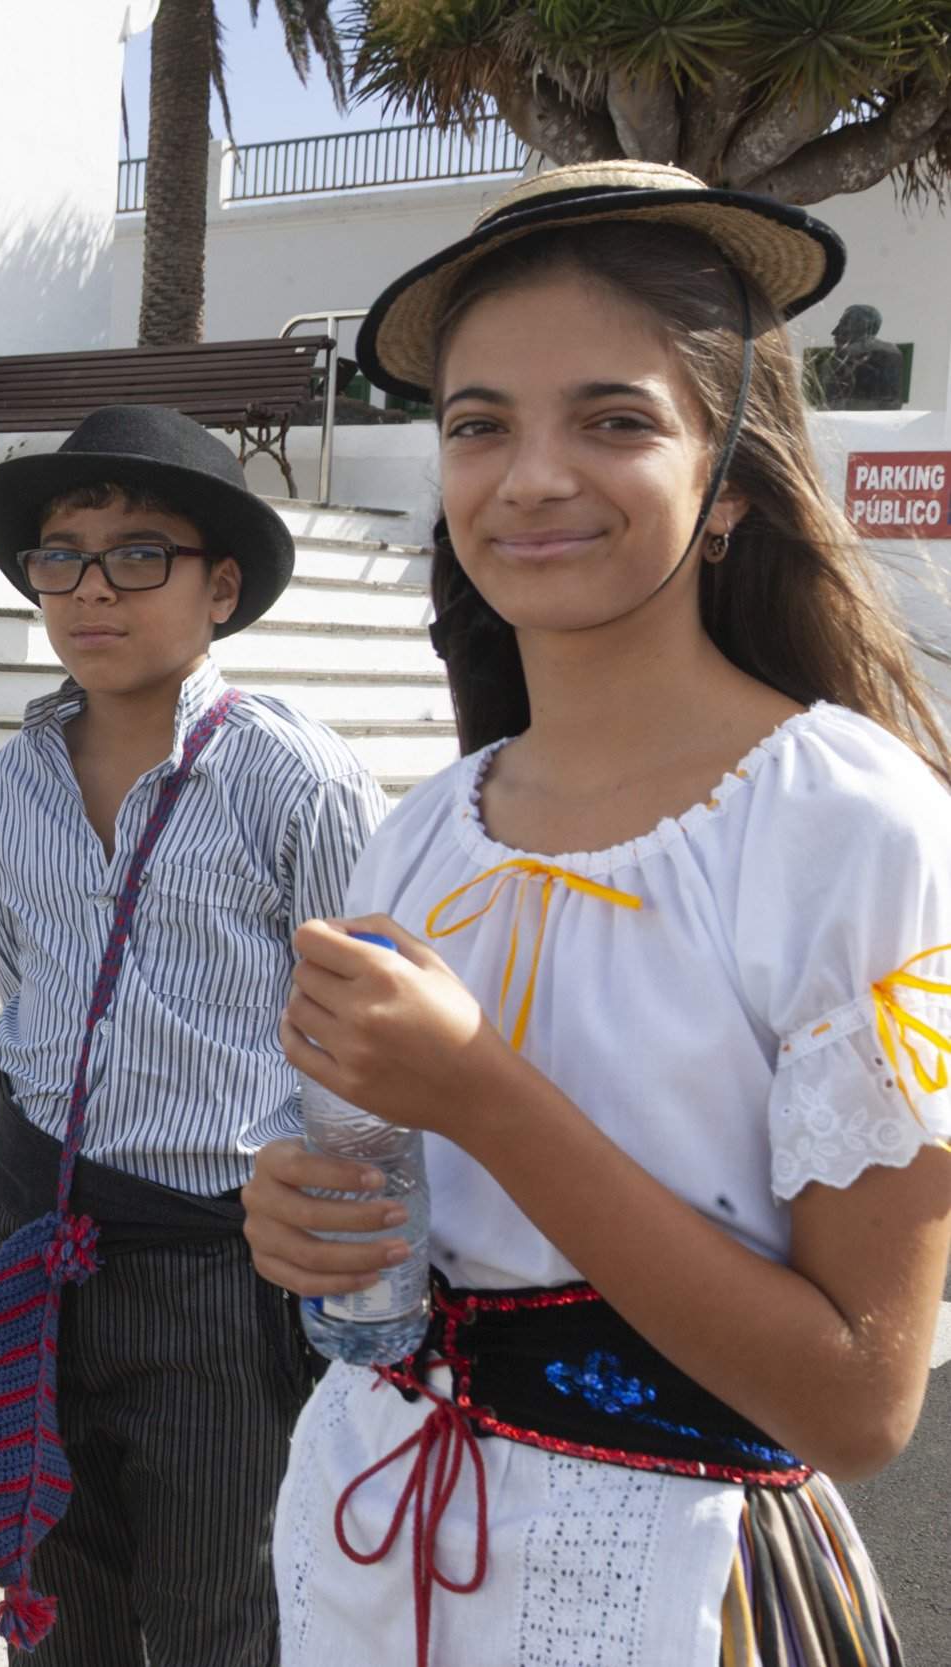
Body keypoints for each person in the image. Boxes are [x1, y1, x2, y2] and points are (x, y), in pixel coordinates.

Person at [244, 161, 951, 1667]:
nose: (533, 475)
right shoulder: (424, 831)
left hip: (678, 1589)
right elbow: (391, 1218)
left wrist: (482, 1095)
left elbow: (857, 1399)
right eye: (478, 424)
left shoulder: (849, 819)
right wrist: (301, 1218)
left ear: (733, 479)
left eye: (615, 419)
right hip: (384, 1554)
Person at [0, 404, 385, 1662]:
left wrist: (364, 1304)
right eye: (60, 554)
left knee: (220, 1616)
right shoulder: (11, 780)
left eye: (140, 553)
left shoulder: (292, 781)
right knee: (52, 1607)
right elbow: (24, 989)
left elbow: (369, 1060)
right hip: (34, 1249)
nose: (92, 588)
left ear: (221, 586)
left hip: (216, 1277)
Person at [817, 302, 903, 410]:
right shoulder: (830, 364)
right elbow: (824, 405)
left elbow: (890, 404)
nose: (834, 332)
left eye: (844, 324)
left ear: (864, 326)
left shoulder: (887, 353)